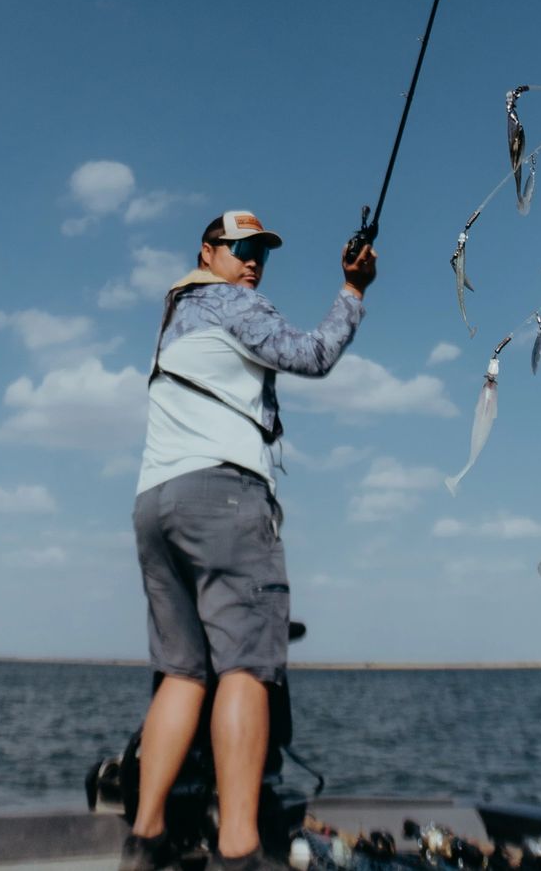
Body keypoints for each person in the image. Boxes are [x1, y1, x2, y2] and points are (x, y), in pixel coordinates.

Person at [122, 208, 376, 871]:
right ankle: (238, 852)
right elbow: (311, 354)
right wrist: (353, 291)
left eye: (259, 249)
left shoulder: (174, 317)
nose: (252, 259)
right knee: (248, 666)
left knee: (180, 671)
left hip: (155, 503)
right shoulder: (232, 303)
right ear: (208, 253)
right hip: (222, 497)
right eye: (238, 248)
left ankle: (143, 841)